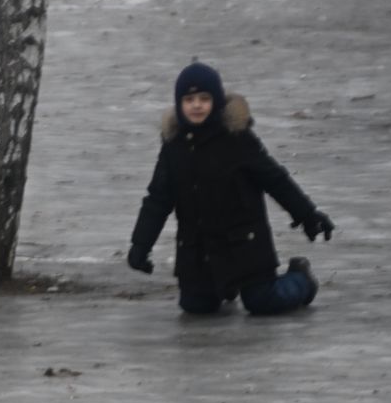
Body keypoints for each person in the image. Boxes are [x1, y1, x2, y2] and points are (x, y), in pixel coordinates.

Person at [128, 62, 334, 316]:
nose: (197, 105)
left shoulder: (237, 139)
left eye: (204, 98)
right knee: (196, 308)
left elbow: (275, 179)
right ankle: (222, 288)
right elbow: (157, 200)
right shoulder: (173, 147)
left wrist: (307, 215)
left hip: (245, 246)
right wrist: (141, 245)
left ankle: (301, 279)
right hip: (198, 251)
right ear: (179, 104)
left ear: (216, 101)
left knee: (262, 302)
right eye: (189, 99)